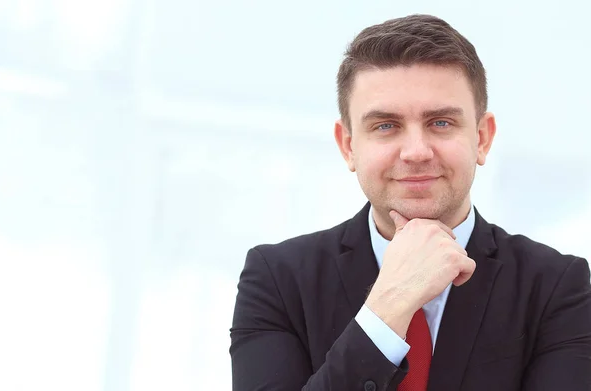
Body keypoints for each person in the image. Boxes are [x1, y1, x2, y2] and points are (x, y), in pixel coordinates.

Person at [229, 14, 591, 391]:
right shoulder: (277, 279)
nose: (416, 152)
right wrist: (388, 307)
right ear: (348, 146)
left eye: (441, 123)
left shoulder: (555, 287)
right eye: (385, 126)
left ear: (482, 138)